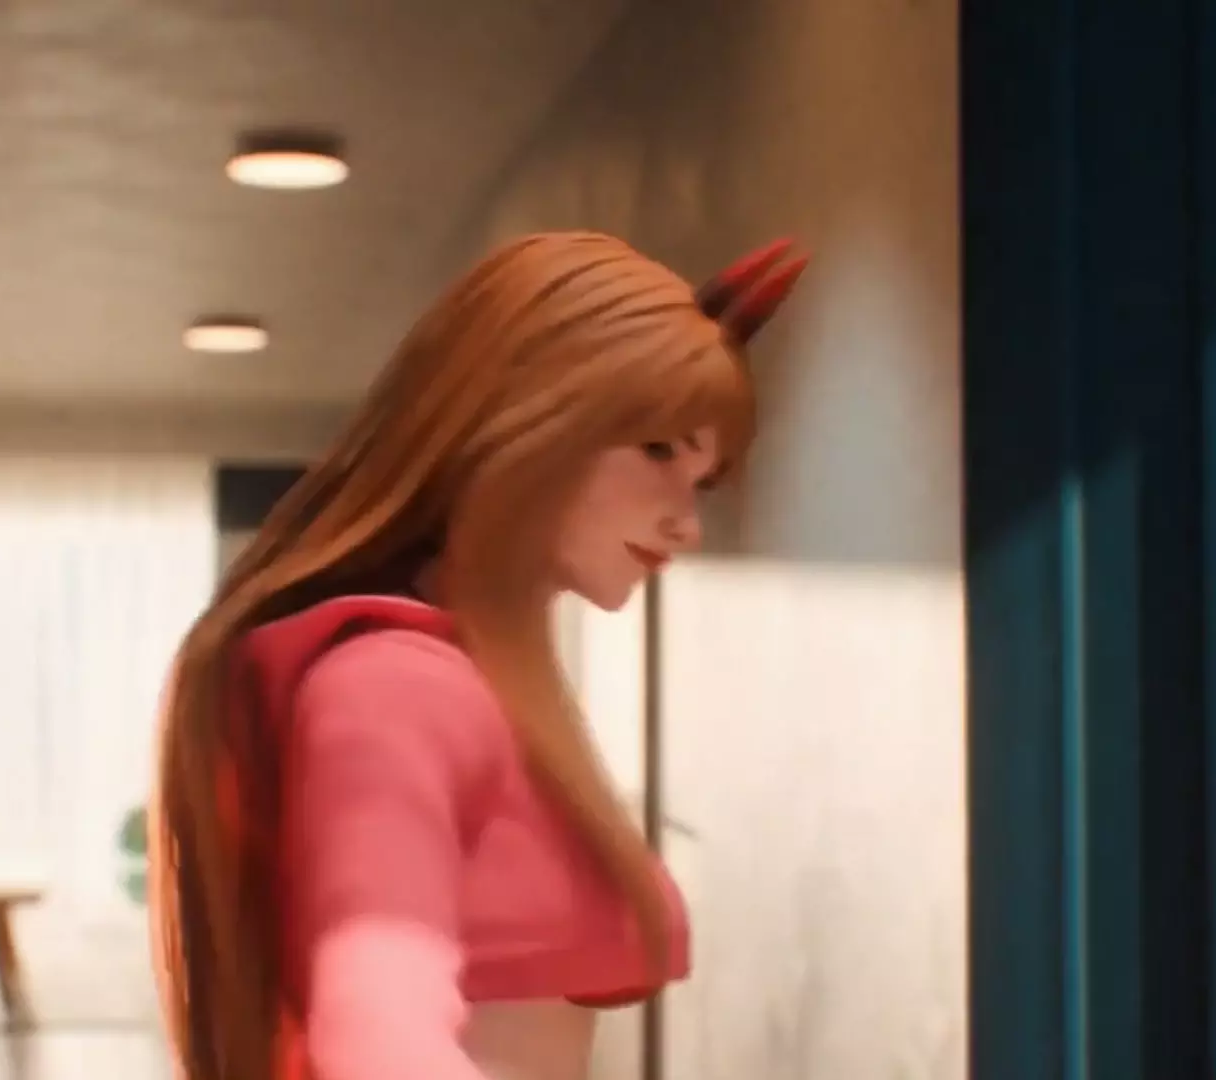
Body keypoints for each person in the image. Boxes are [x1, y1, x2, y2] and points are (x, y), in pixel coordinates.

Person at [148, 231, 807, 1080]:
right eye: (656, 452)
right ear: (518, 420)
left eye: (702, 482)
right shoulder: (394, 687)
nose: (687, 523)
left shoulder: (464, 684)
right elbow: (378, 1037)